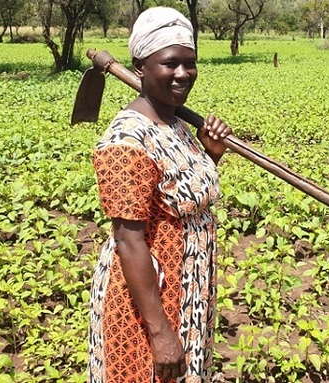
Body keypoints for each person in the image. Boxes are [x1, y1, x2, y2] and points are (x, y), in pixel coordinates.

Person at [87, 7, 232, 383]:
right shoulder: (126, 141)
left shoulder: (175, 122)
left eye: (190, 63)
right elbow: (129, 241)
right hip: (149, 307)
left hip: (188, 295)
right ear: (140, 67)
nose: (183, 73)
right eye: (170, 64)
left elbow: (181, 197)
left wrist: (211, 154)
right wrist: (162, 333)